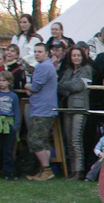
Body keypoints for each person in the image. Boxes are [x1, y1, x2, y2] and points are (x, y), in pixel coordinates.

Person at [57, 44, 93, 180]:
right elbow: (60, 87)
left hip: (80, 107)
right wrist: (69, 86)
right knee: (69, 139)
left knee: (76, 139)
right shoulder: (68, 70)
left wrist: (67, 85)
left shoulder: (87, 69)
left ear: (82, 56)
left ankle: (79, 170)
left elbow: (77, 86)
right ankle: (72, 170)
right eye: (73, 55)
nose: (76, 58)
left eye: (78, 55)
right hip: (67, 107)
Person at [24, 43, 59, 181]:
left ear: (46, 53)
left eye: (39, 51)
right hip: (44, 107)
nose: (37, 54)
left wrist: (27, 85)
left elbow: (36, 87)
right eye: (35, 51)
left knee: (34, 139)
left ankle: (46, 169)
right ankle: (45, 169)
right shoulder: (47, 65)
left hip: (43, 109)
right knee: (43, 140)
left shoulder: (44, 66)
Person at [0, 70, 20, 180]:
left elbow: (16, 111)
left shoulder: (13, 96)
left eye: (3, 81)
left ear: (9, 82)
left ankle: (8, 172)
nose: (1, 83)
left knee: (8, 149)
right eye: (0, 81)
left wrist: (16, 126)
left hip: (9, 124)